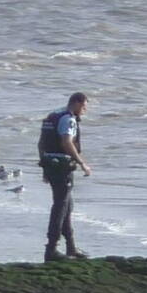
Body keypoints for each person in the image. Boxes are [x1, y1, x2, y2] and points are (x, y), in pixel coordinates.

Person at [37, 92, 92, 262]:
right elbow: (66, 142)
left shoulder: (53, 115)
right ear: (76, 103)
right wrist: (82, 162)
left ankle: (71, 247)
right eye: (84, 106)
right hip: (61, 166)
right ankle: (52, 248)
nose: (85, 110)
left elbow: (41, 143)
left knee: (67, 205)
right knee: (61, 206)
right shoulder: (68, 119)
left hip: (50, 163)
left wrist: (44, 167)